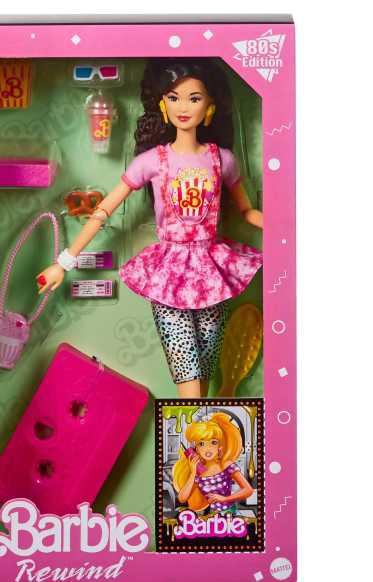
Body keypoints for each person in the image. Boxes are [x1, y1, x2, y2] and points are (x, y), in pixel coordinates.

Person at [38, 59, 262, 398]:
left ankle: (197, 429)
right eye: (173, 98)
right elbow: (103, 210)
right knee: (186, 372)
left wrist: (285, 230)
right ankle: (193, 426)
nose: (183, 107)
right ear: (162, 103)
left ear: (210, 105)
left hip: (212, 270)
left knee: (206, 369)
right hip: (170, 274)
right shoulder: (152, 161)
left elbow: (247, 211)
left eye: (194, 98)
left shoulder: (222, 159)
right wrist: (63, 262)